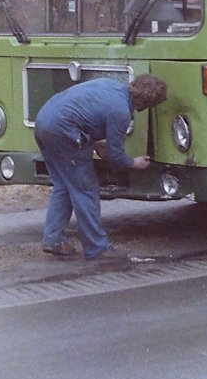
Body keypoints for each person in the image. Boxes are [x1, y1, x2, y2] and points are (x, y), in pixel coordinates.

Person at [35, 74, 168, 260]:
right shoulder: (121, 112)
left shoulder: (109, 85)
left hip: (43, 121)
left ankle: (53, 239)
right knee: (86, 190)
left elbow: (85, 113)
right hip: (63, 131)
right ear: (144, 105)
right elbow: (115, 157)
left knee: (63, 186)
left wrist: (94, 143)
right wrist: (134, 163)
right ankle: (97, 248)